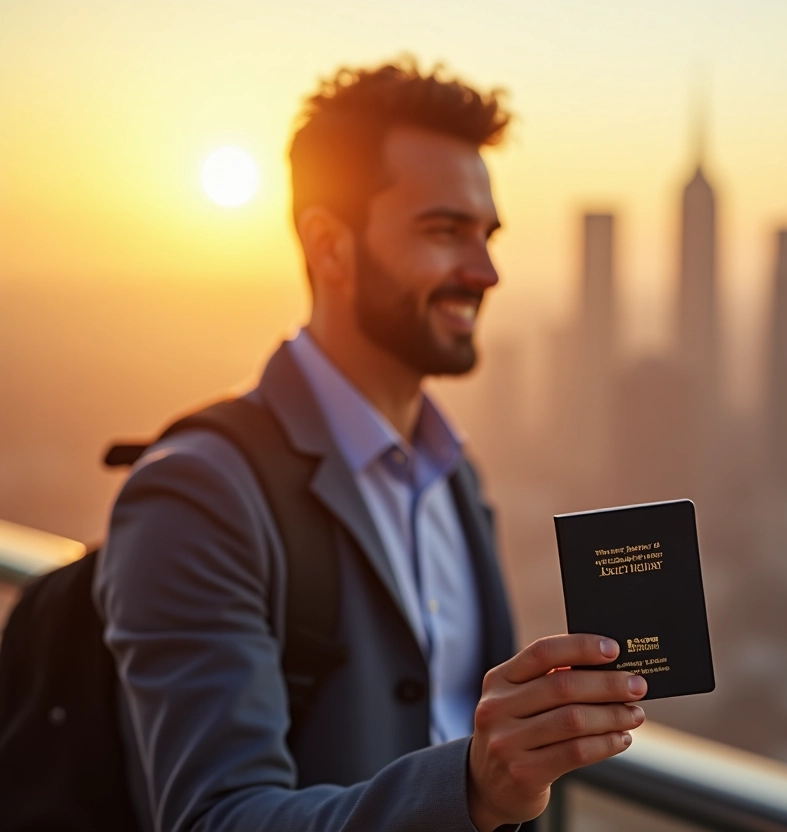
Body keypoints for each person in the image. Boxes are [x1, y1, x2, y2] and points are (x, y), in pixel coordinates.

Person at [94, 59, 646, 832]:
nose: (486, 271)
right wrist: (470, 788)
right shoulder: (196, 496)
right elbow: (215, 819)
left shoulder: (455, 479)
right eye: (444, 231)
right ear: (330, 245)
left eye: (486, 235)